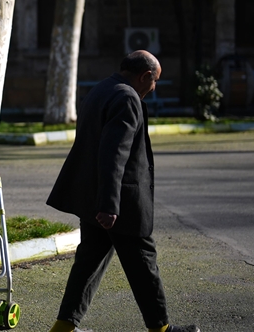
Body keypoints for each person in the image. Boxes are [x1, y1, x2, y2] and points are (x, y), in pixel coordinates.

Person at [45, 51, 199, 332]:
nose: (154, 88)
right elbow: (114, 153)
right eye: (155, 81)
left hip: (93, 197)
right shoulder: (128, 98)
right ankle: (161, 329)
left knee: (88, 263)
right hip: (118, 203)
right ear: (146, 76)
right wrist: (110, 204)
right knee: (143, 264)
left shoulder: (101, 89)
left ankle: (63, 327)